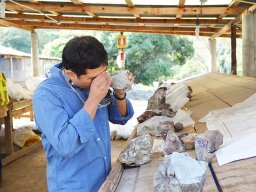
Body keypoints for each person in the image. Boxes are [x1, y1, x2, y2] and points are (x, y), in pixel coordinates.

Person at [33, 36, 134, 192]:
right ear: (71, 74)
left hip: (103, 177)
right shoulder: (46, 95)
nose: (102, 79)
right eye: (93, 78)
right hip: (74, 185)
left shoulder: (93, 78)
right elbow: (65, 145)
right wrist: (93, 98)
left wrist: (120, 92)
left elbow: (120, 117)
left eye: (104, 72)